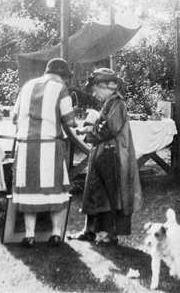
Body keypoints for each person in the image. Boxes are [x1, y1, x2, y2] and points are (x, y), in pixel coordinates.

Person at [70, 68, 143, 246]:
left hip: (112, 154)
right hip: (103, 152)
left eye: (95, 89)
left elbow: (110, 129)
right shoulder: (110, 103)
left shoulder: (118, 103)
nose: (94, 94)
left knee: (110, 196)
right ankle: (90, 231)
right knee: (94, 191)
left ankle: (109, 234)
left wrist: (88, 130)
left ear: (104, 86)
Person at [11, 58, 78, 248]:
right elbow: (69, 120)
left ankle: (29, 235)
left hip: (25, 145)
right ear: (63, 76)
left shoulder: (27, 86)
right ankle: (56, 234)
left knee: (27, 188)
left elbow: (14, 117)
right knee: (54, 187)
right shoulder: (60, 88)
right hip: (49, 144)